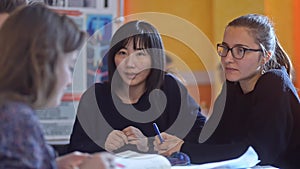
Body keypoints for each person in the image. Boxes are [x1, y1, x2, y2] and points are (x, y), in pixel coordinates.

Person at [153, 14, 300, 168]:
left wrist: (184, 148)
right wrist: (170, 142)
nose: (228, 58)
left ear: (265, 56)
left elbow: (257, 153)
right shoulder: (232, 85)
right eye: (225, 48)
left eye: (240, 50)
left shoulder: (274, 82)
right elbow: (214, 140)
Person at [0, 4, 115, 169]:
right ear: (43, 63)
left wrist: (52, 165)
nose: (69, 80)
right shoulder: (16, 118)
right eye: (69, 66)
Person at [68, 20, 206, 154]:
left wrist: (148, 143)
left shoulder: (170, 88)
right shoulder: (95, 97)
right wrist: (102, 144)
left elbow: (203, 136)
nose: (130, 64)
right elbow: (75, 150)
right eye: (122, 53)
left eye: (140, 54)